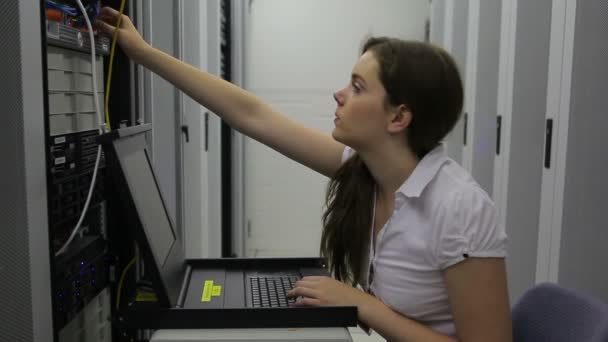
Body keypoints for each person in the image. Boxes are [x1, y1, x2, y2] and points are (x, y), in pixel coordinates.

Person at [96, 6, 512, 342]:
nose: (339, 93)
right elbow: (250, 115)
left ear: (399, 117)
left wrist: (363, 306)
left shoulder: (459, 208)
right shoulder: (366, 170)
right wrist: (143, 52)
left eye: (357, 87)